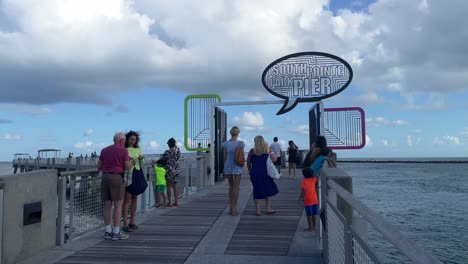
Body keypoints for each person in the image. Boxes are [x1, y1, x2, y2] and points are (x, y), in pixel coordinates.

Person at [98, 132, 132, 240]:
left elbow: (98, 166)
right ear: (121, 140)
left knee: (107, 205)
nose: (125, 143)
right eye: (125, 141)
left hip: (105, 177)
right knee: (118, 205)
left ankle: (107, 231)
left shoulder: (104, 150)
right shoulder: (123, 150)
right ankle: (116, 232)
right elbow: (127, 167)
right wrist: (132, 163)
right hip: (116, 178)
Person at [247, 135, 279, 216]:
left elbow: (248, 163)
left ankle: (258, 211)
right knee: (267, 189)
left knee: (256, 190)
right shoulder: (268, 150)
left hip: (255, 173)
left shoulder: (251, 151)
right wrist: (271, 152)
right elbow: (275, 159)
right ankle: (268, 208)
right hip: (265, 173)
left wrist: (250, 171)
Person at [122, 130, 145, 233]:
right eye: (131, 139)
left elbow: (143, 162)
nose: (133, 141)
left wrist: (141, 158)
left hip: (137, 172)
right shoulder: (124, 149)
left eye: (134, 139)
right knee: (127, 198)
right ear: (127, 139)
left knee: (135, 197)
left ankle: (132, 221)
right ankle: (125, 223)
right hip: (128, 173)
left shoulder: (138, 149)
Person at [223, 126, 245, 216]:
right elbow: (242, 156)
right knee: (236, 187)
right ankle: (234, 208)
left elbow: (225, 157)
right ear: (238, 133)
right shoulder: (240, 143)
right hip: (237, 166)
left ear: (231, 133)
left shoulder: (225, 144)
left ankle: (231, 207)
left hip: (228, 166)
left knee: (231, 187)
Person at [162, 137, 181, 207]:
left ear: (169, 144)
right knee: (175, 186)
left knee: (169, 186)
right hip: (176, 170)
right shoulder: (178, 151)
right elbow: (178, 158)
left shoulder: (167, 152)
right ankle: (176, 201)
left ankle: (169, 202)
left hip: (169, 171)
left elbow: (163, 160)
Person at [299, 167, 319, 231]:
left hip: (308, 200)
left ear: (304, 174)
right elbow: (317, 176)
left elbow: (303, 192)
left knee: (309, 215)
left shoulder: (304, 181)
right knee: (314, 214)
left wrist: (300, 198)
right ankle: (314, 226)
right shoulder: (313, 180)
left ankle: (310, 227)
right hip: (315, 200)